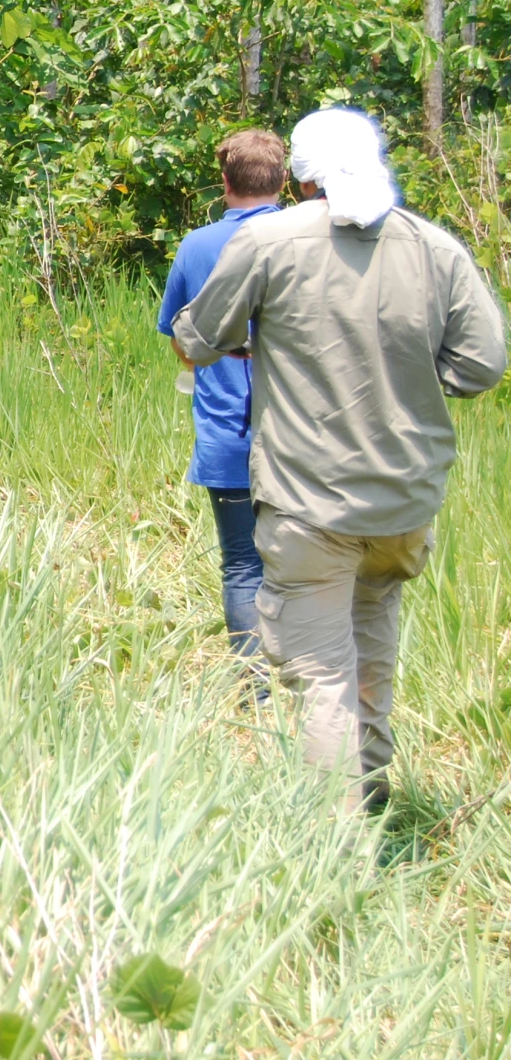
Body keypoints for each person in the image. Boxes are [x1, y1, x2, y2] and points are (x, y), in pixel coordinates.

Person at [173, 107, 505, 815]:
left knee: (323, 670)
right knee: (372, 629)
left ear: (298, 178)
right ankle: (372, 781)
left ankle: (336, 840)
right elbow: (481, 366)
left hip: (308, 503)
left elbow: (194, 340)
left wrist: (259, 347)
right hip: (403, 502)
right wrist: (409, 372)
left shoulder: (268, 239)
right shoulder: (433, 247)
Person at [158, 129, 288, 663]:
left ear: (225, 181)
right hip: (303, 437)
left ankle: (254, 694)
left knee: (242, 565)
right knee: (309, 565)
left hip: (227, 434)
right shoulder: (310, 238)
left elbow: (181, 344)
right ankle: (309, 684)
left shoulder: (198, 245)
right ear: (283, 180)